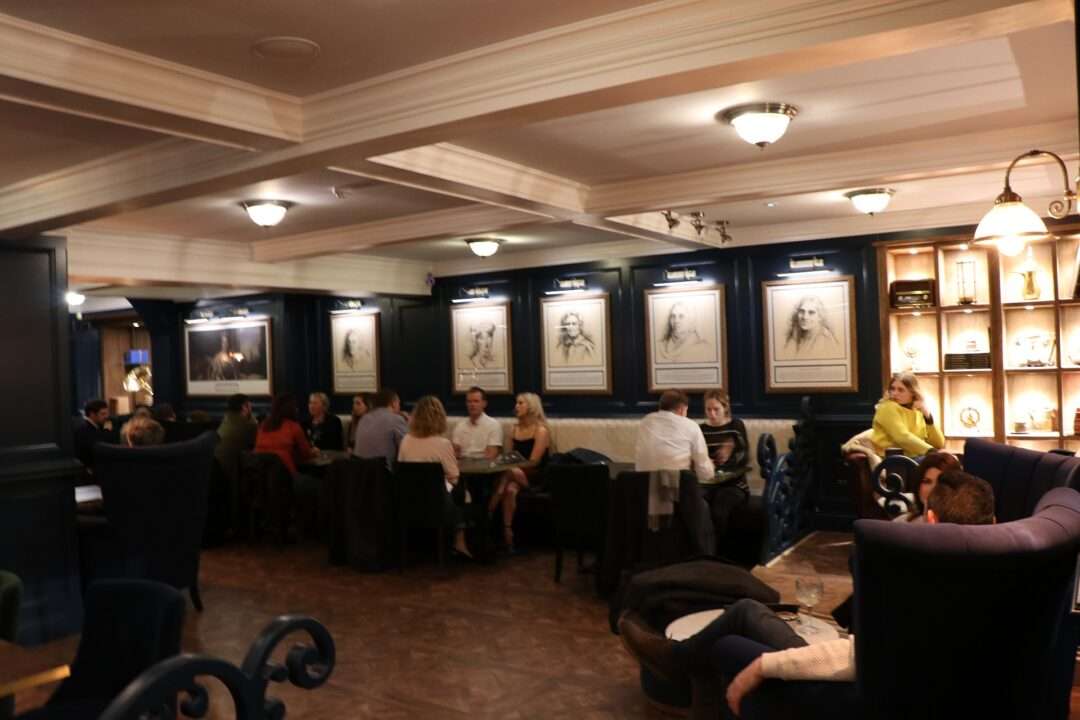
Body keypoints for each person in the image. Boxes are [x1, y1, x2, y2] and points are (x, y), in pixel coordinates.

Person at [617, 470, 996, 718]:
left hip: (847, 696)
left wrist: (765, 666)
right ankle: (678, 659)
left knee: (740, 622)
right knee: (749, 611)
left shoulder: (927, 584)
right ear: (992, 521)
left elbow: (855, 659)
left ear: (930, 519)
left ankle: (674, 659)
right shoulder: (1000, 578)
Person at [635, 389, 715, 555]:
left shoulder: (644, 422)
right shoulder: (690, 426)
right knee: (705, 506)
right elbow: (705, 473)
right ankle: (703, 556)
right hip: (679, 496)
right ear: (681, 409)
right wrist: (710, 468)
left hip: (645, 495)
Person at [397, 395, 474, 559]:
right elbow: (454, 477)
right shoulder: (443, 444)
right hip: (437, 506)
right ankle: (460, 541)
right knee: (463, 494)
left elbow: (401, 467)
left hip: (407, 503)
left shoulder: (405, 440)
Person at [488, 392, 551, 553]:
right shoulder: (513, 429)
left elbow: (534, 461)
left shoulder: (541, 430)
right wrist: (508, 463)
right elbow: (509, 456)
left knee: (508, 473)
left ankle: (488, 512)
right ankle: (508, 535)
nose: (516, 406)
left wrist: (513, 465)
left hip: (535, 476)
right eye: (516, 403)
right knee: (510, 490)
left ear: (531, 407)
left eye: (520, 403)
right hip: (514, 475)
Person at [698, 389, 750, 538]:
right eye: (708, 409)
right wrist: (705, 461)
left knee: (719, 509)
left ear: (725, 408)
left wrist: (728, 460)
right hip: (708, 482)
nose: (712, 414)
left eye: (716, 409)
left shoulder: (736, 426)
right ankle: (701, 547)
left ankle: (717, 548)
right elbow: (698, 457)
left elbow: (744, 457)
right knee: (695, 503)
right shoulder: (701, 429)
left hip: (734, 484)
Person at [254, 393, 320, 496]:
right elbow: (306, 454)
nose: (297, 409)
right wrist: (314, 452)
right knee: (320, 486)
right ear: (290, 409)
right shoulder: (293, 426)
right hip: (286, 478)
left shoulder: (263, 425)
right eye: (295, 407)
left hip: (261, 480)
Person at [869, 372, 945, 458]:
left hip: (915, 457)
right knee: (941, 461)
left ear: (913, 392)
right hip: (894, 458)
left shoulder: (917, 410)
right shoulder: (887, 407)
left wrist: (927, 417)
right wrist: (931, 451)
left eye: (900, 390)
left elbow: (938, 443)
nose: (895, 393)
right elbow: (902, 436)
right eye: (892, 389)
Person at [895, 451, 961, 522]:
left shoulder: (965, 527)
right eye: (927, 482)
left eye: (940, 482)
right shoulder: (900, 523)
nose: (933, 489)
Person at [353, 388, 408, 469]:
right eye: (398, 403)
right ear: (393, 403)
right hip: (382, 471)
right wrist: (409, 423)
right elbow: (406, 447)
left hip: (359, 470)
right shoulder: (395, 419)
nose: (399, 407)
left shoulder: (364, 418)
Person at [451, 386, 502, 461]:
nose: (472, 405)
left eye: (476, 401)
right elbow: (455, 452)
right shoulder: (460, 425)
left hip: (484, 466)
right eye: (469, 401)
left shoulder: (493, 425)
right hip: (462, 465)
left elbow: (491, 455)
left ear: (484, 404)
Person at [73, 399, 114, 474]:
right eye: (103, 414)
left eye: (107, 413)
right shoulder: (84, 429)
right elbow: (101, 448)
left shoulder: (92, 426)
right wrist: (107, 431)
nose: (106, 417)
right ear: (92, 414)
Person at [217, 393, 257, 463]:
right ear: (244, 407)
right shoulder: (248, 425)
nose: (251, 407)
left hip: (218, 465)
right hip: (232, 466)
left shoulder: (226, 421)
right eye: (250, 405)